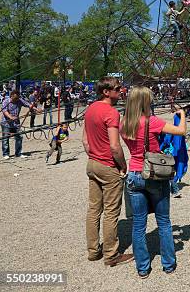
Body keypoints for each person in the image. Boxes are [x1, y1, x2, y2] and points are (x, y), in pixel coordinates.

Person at [120, 86, 185, 278]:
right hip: (154, 174)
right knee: (163, 222)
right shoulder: (152, 121)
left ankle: (143, 267)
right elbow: (180, 131)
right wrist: (182, 114)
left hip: (134, 174)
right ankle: (168, 264)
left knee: (139, 224)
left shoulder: (124, 124)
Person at [82, 76, 133, 267]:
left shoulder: (90, 109)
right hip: (107, 166)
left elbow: (85, 141)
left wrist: (94, 155)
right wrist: (123, 166)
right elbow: (115, 146)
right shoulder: (111, 113)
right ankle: (111, 254)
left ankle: (93, 251)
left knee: (94, 209)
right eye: (117, 88)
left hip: (92, 164)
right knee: (111, 212)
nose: (121, 91)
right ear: (106, 92)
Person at [1, 90, 35, 160]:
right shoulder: (6, 101)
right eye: (15, 98)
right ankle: (6, 154)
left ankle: (18, 153)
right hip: (6, 123)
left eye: (17, 98)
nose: (16, 100)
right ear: (11, 96)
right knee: (5, 139)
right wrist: (11, 117)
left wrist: (36, 109)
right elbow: (5, 111)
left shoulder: (19, 100)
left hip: (16, 123)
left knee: (19, 137)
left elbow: (28, 104)